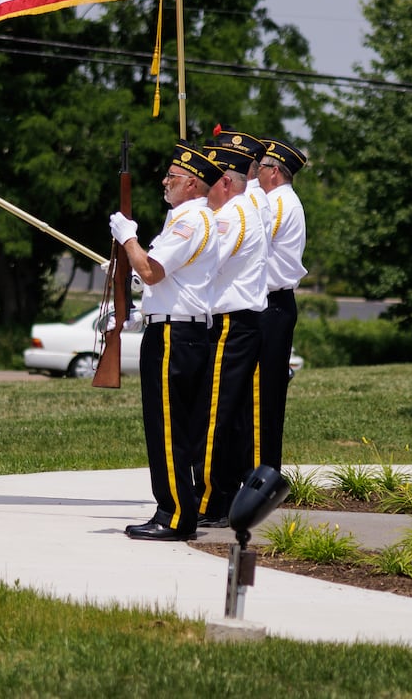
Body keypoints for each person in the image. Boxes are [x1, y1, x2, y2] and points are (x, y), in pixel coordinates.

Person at [108, 141, 228, 542]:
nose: (165, 181)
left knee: (168, 428)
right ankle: (179, 510)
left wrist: (128, 236)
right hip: (183, 331)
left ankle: (174, 515)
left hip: (174, 335)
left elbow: (151, 270)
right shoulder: (195, 218)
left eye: (173, 177)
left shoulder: (188, 221)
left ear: (192, 184)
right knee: (179, 428)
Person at [195, 132, 269, 528]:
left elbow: (203, 263)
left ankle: (209, 499)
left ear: (226, 181)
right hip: (238, 323)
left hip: (230, 324)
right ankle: (220, 495)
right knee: (229, 416)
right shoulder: (243, 209)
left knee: (214, 414)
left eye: (210, 177)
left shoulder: (231, 216)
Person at [253, 137, 309, 472]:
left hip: (271, 306)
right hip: (270, 305)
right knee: (258, 397)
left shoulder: (278, 205)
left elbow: (252, 250)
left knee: (263, 399)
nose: (256, 174)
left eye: (259, 168)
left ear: (274, 172)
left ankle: (262, 475)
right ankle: (259, 472)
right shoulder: (276, 201)